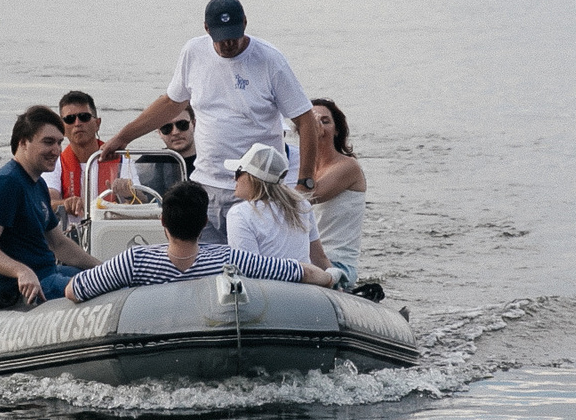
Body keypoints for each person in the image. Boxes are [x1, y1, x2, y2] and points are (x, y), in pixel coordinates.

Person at [107, 0, 321, 244]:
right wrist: (123, 137)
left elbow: (305, 120)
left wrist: (305, 182)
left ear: (245, 23)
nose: (228, 43)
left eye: (234, 35)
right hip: (205, 185)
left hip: (256, 190)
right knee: (202, 265)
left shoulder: (270, 60)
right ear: (207, 29)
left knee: (252, 269)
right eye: (221, 37)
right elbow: (170, 103)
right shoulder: (193, 52)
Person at [66, 181, 337, 301]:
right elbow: (297, 270)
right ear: (205, 224)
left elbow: (74, 290)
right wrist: (330, 278)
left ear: (162, 222)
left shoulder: (134, 261)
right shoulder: (230, 260)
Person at [0, 105, 95, 308]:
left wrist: (104, 268)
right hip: (24, 289)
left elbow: (58, 244)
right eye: (48, 142)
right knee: (100, 289)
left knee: (104, 279)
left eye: (59, 143)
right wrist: (21, 271)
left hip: (48, 273)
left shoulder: (38, 184)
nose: (56, 150)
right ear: (23, 143)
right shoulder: (5, 183)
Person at [223, 142, 320, 273]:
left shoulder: (239, 214)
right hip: (305, 285)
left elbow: (247, 270)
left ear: (252, 178)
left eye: (238, 172)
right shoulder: (301, 205)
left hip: (268, 290)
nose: (235, 178)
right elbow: (319, 257)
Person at [305, 98, 368, 289]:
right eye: (312, 122)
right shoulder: (299, 168)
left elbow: (305, 198)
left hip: (337, 264)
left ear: (337, 130)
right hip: (304, 257)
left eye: (325, 121)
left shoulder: (348, 167)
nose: (319, 127)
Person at [49, 90, 121, 222]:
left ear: (97, 123)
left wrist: (127, 192)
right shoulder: (53, 162)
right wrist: (64, 203)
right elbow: (48, 201)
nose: (77, 123)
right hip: (71, 235)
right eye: (70, 119)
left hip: (110, 232)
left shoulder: (121, 158)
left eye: (84, 117)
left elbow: (141, 199)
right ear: (63, 128)